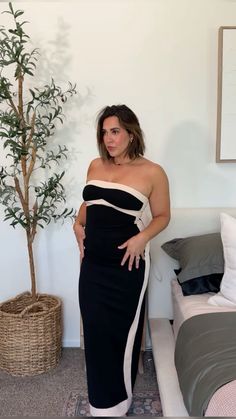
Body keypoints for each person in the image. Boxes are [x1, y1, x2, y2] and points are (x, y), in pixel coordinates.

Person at [73, 104, 170, 417]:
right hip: (93, 266)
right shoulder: (95, 165)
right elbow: (90, 204)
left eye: (115, 131)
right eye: (104, 132)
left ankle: (119, 402)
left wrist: (143, 237)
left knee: (122, 333)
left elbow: (163, 216)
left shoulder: (152, 172)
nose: (109, 138)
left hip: (127, 268)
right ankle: (99, 402)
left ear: (131, 133)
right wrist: (77, 223)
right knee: (95, 331)